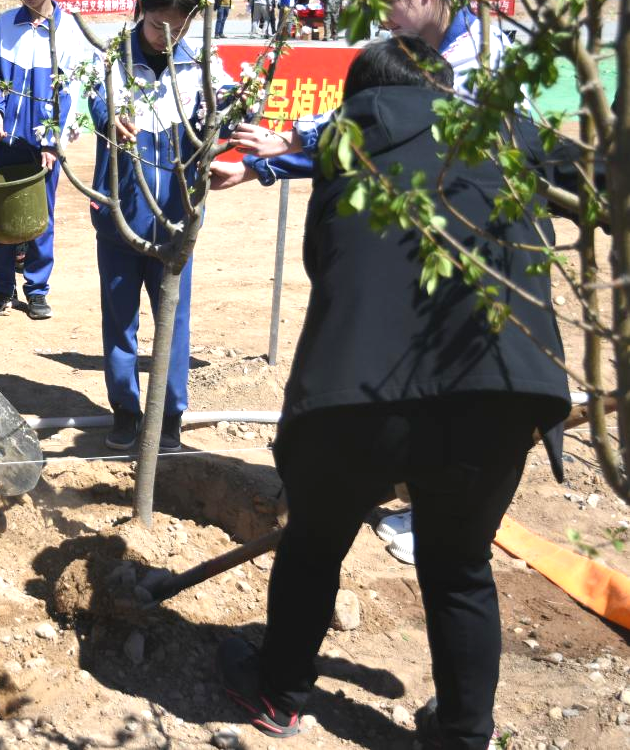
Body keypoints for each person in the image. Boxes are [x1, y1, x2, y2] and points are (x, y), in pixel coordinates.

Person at [215, 36, 572, 749]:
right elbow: (593, 184)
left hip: (357, 390)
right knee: (460, 567)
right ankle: (464, 734)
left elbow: (326, 259)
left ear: (360, 94)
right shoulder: (505, 127)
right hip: (501, 387)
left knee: (315, 543)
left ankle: (279, 695)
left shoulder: (347, 136)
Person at [211, 0, 524, 564]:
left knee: (449, 373)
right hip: (430, 241)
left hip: (468, 247)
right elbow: (362, 124)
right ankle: (419, 492)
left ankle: (441, 512)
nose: (381, 16)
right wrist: (273, 157)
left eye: (387, 1)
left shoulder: (474, 68)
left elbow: (376, 134)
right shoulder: (436, 51)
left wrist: (283, 152)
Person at [90, 0, 234, 453]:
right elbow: (94, 100)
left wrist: (226, 117)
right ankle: (126, 410)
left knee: (172, 320)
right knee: (120, 319)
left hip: (175, 220)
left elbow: (230, 114)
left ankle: (169, 415)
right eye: (156, 27)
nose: (166, 38)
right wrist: (110, 114)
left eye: (179, 28)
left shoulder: (203, 66)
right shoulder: (112, 58)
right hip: (120, 217)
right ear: (139, 9)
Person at [0, 0, 89, 320]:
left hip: (43, 146)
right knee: (0, 214)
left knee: (41, 216)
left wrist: (53, 140)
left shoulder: (68, 31)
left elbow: (73, 92)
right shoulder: (6, 25)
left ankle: (37, 288)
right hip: (1, 139)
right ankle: (1, 287)